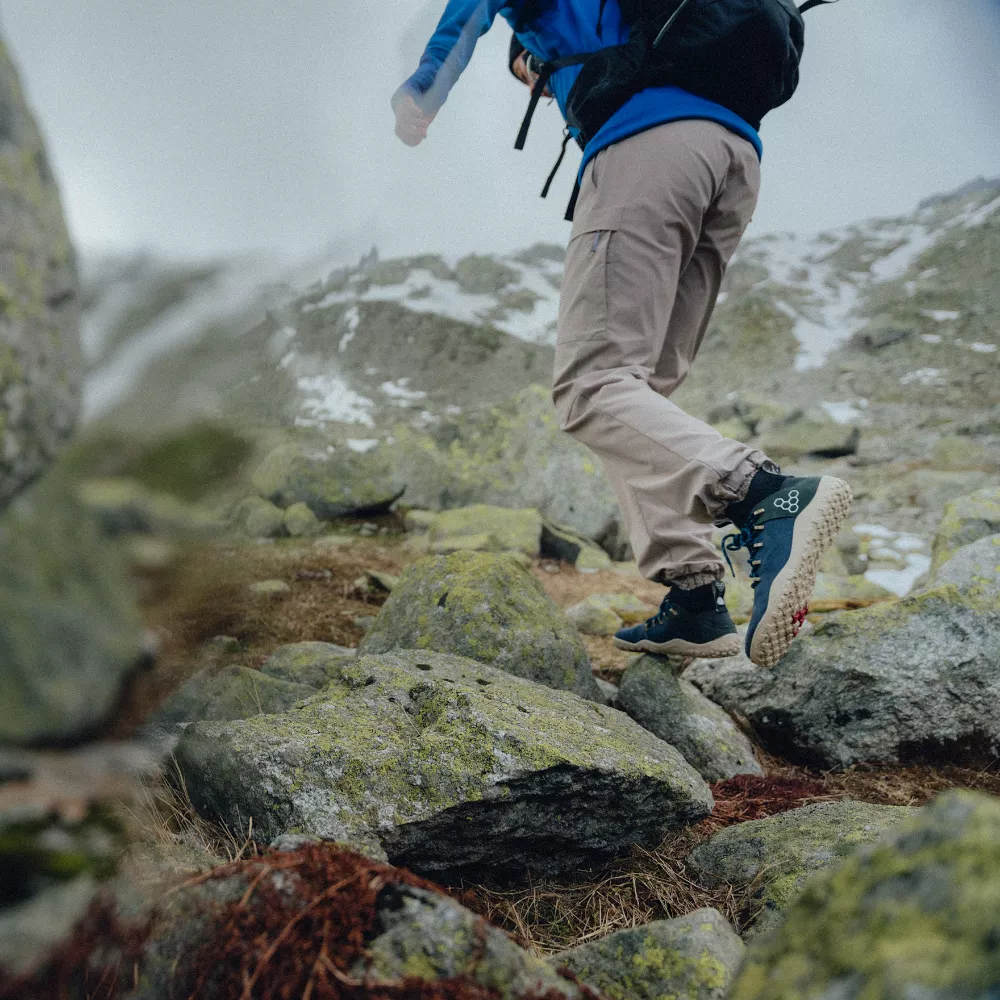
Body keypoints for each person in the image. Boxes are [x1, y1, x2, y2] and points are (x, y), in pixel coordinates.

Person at [393, 0, 852, 668]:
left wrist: (423, 91)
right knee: (640, 401)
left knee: (591, 387)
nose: (539, 86)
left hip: (649, 150)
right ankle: (695, 600)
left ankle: (767, 496)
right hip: (732, 160)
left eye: (534, 75)